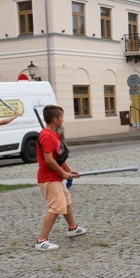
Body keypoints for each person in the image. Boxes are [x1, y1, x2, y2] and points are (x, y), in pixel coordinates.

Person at [35, 105, 87, 251]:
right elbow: (49, 160)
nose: (63, 119)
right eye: (62, 117)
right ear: (55, 119)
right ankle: (41, 240)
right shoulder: (46, 135)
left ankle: (72, 228)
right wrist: (63, 174)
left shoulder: (55, 134)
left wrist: (69, 170)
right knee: (56, 207)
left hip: (55, 177)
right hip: (49, 178)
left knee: (66, 201)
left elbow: (59, 156)